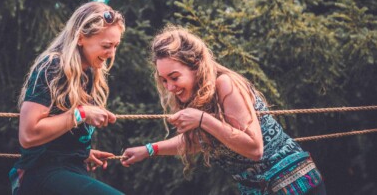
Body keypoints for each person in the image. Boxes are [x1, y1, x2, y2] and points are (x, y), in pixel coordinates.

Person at [121, 25, 326, 195]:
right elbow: (198, 142)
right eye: (164, 80)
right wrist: (149, 150)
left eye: (174, 77)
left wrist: (202, 119)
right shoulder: (199, 99)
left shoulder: (225, 84)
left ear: (196, 66)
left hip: (294, 185)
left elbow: (255, 149)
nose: (170, 87)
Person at [9, 2, 125, 195]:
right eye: (106, 46)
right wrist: (81, 113)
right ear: (80, 38)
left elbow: (58, 133)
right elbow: (28, 135)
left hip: (72, 169)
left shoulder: (89, 73)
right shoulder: (52, 66)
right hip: (42, 174)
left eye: (115, 46)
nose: (112, 53)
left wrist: (79, 152)